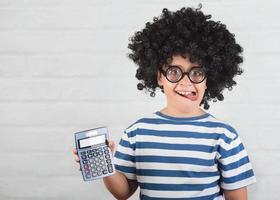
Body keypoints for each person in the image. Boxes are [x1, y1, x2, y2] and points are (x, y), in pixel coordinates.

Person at [72, 4, 256, 200]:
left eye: (197, 72)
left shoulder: (224, 135)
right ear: (159, 76)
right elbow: (123, 192)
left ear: (209, 78)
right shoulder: (137, 133)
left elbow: (237, 197)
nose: (186, 82)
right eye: (174, 72)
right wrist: (105, 165)